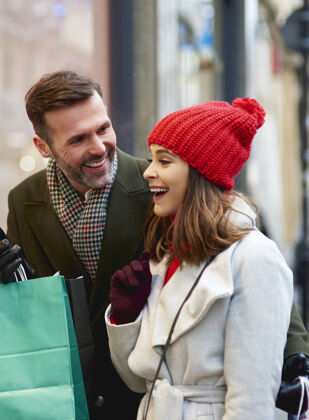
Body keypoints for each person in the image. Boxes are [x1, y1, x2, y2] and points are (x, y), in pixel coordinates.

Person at [0, 70, 309, 419]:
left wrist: (297, 358)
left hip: (140, 396)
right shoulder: (24, 200)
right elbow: (35, 312)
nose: (99, 148)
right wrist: (10, 279)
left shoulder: (161, 186)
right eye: (78, 139)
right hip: (66, 398)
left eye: (103, 128)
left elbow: (253, 269)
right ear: (43, 147)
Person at [105, 97, 295, 418]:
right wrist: (125, 318)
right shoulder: (165, 254)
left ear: (201, 172)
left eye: (164, 162)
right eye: (152, 160)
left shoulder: (255, 258)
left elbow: (252, 402)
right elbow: (140, 381)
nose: (148, 172)